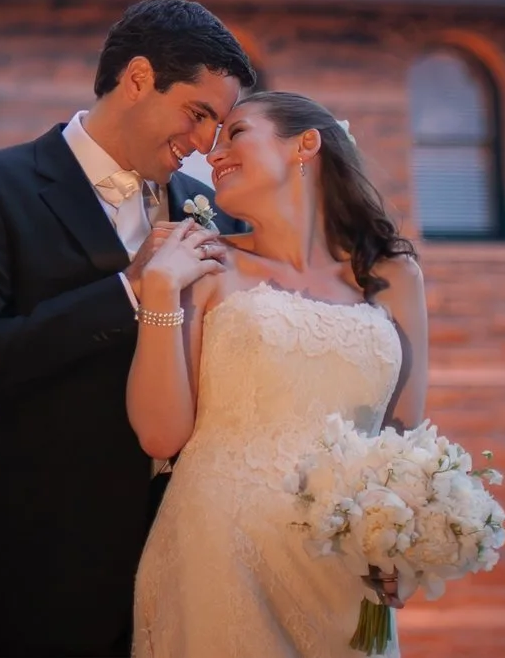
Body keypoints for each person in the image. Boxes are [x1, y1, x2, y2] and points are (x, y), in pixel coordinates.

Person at [0, 0, 257, 658]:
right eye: (199, 115)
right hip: (51, 577)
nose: (204, 144)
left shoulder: (214, 213)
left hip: (201, 573)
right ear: (138, 79)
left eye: (218, 129)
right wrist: (130, 289)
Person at [127, 91, 429, 657]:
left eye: (236, 133)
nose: (214, 155)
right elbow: (160, 436)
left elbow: (405, 436)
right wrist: (160, 289)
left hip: (344, 574)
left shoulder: (391, 274)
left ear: (305, 144)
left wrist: (402, 543)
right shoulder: (204, 261)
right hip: (219, 554)